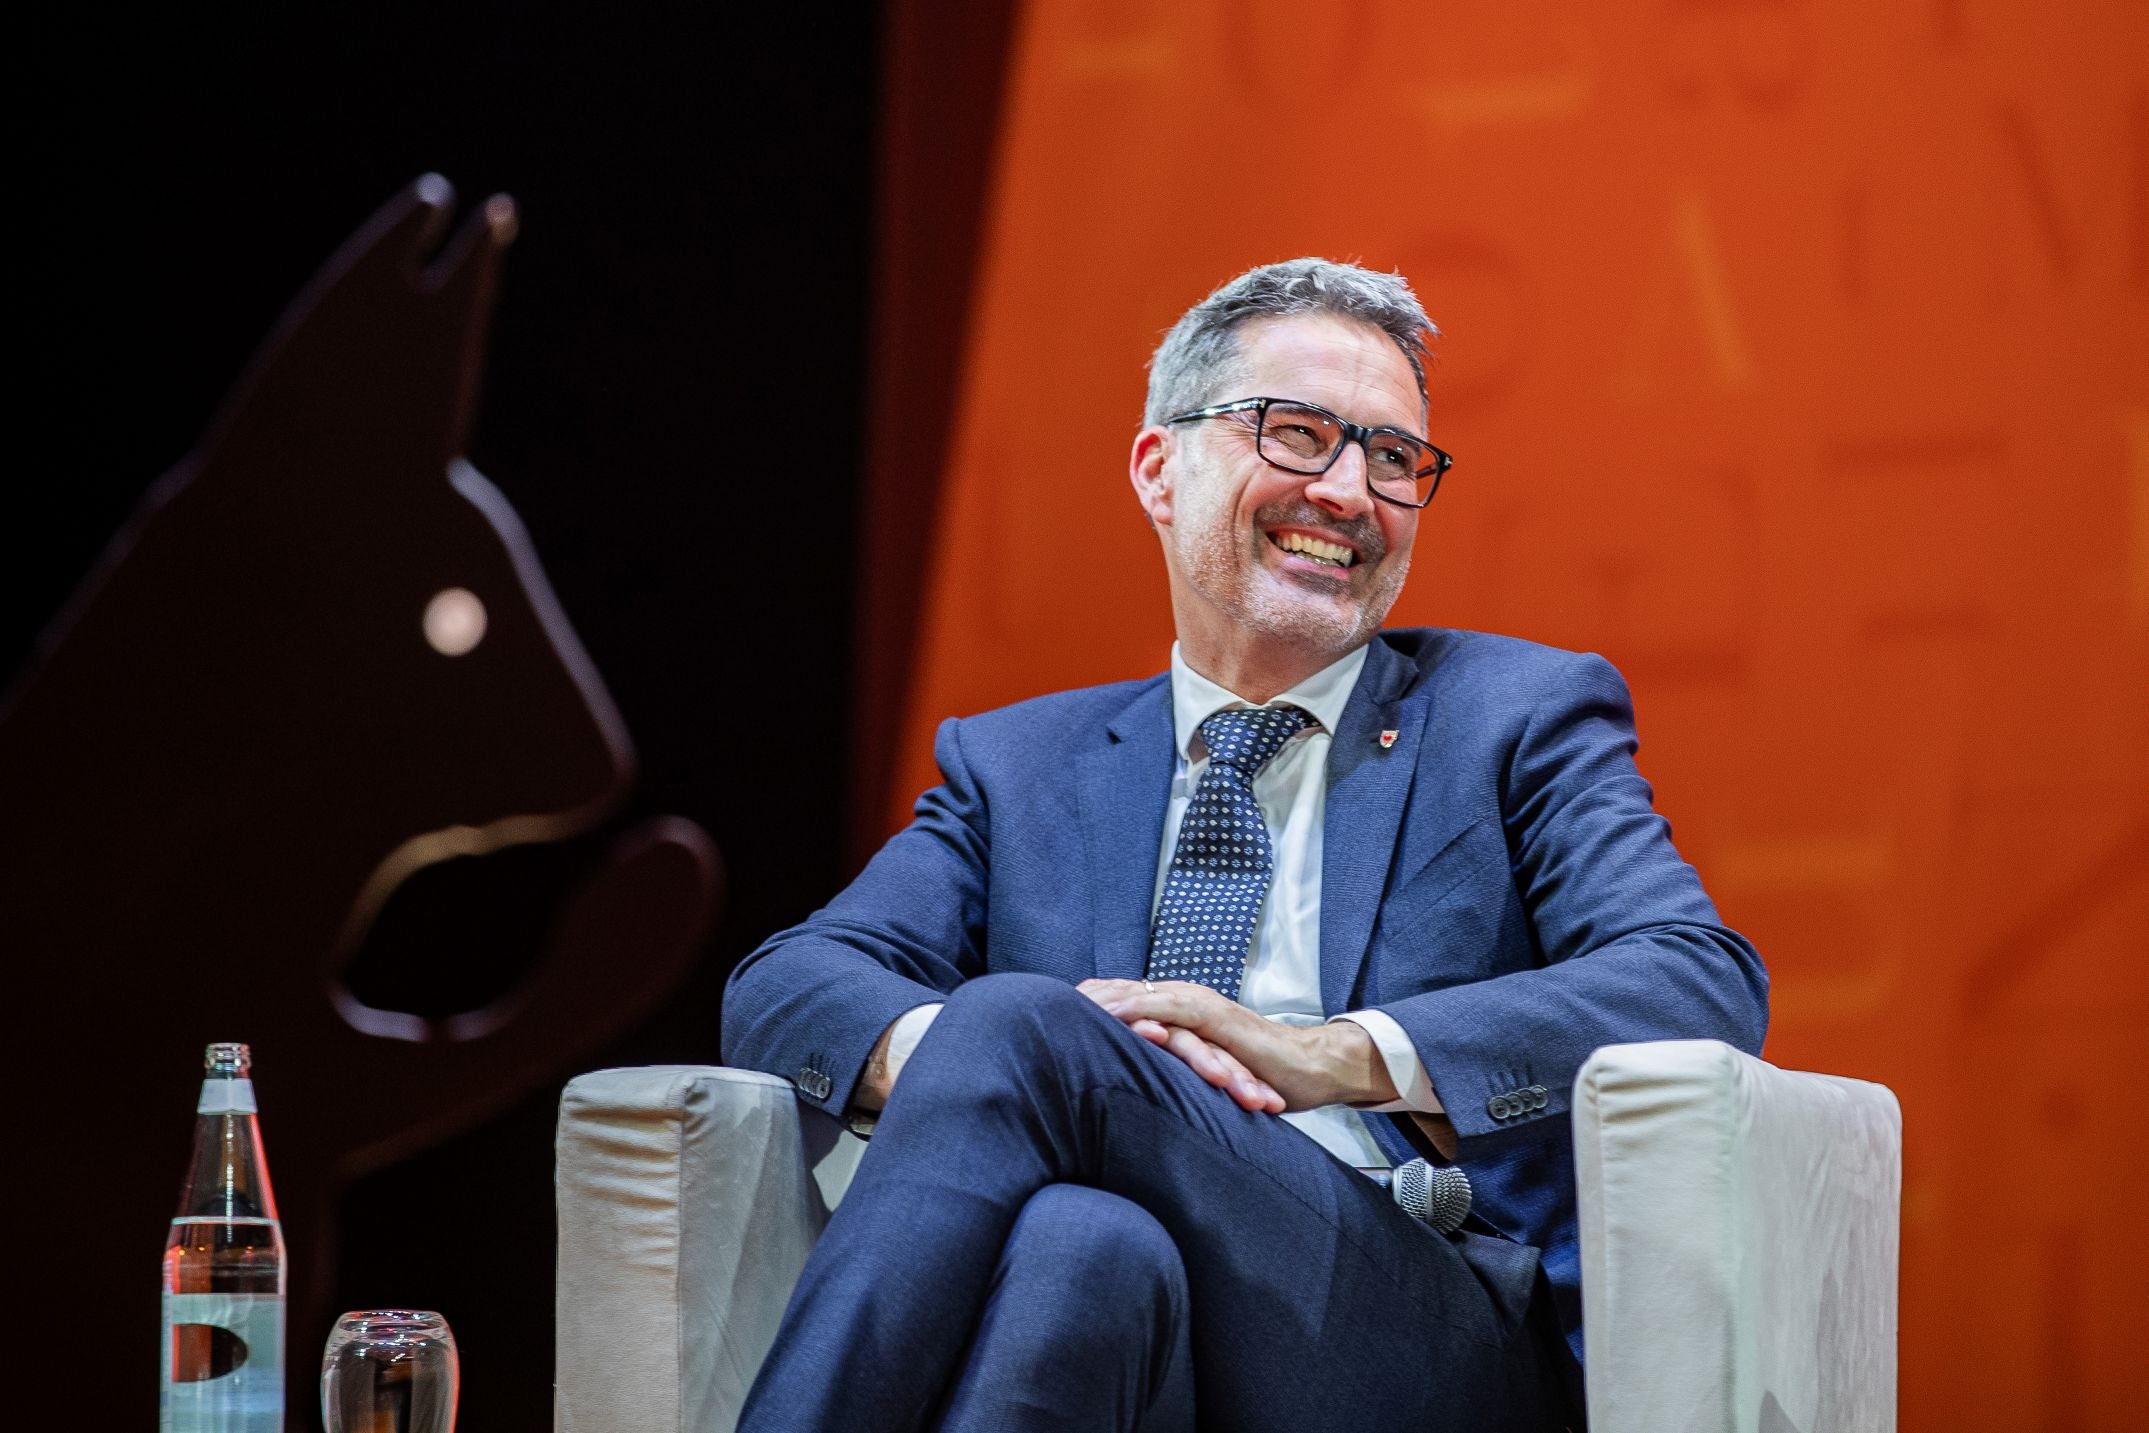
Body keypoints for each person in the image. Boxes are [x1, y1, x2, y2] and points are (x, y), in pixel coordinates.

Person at [721, 258, 1767, 1432]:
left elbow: (1696, 976)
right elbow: (787, 985)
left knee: (1023, 1017)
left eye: (1391, 458)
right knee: (1079, 1242)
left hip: (1413, 1324)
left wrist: (1327, 1054)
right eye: (1299, 432)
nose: (1350, 491)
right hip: (1140, 1293)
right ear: (1159, 469)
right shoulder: (1017, 766)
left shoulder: (1512, 714)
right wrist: (978, 1069)